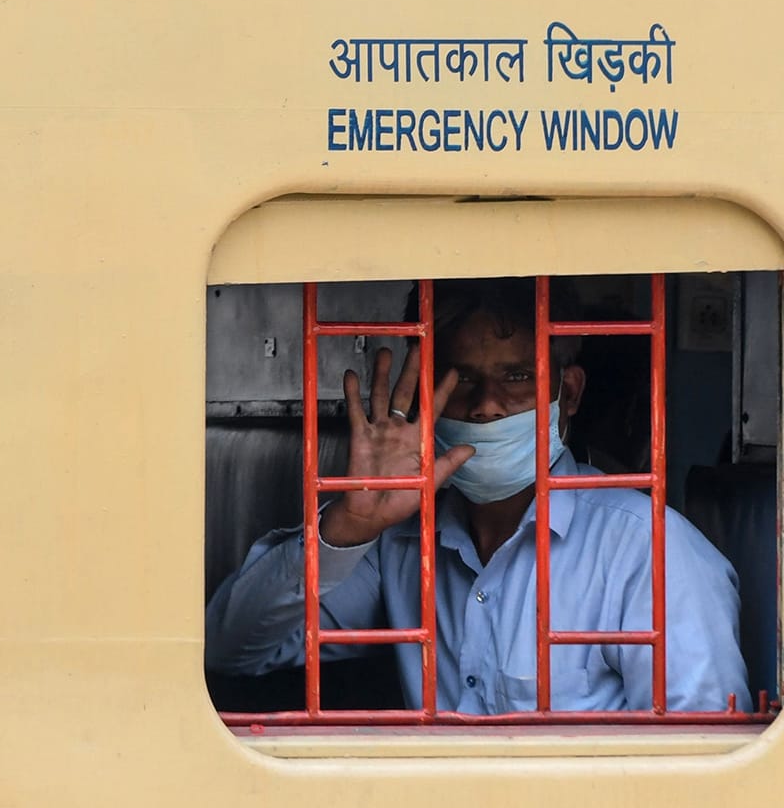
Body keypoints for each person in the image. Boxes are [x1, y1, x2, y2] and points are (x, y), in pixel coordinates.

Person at [205, 276, 750, 714]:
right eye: (461, 380)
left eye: (516, 376)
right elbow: (231, 650)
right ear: (426, 396)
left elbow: (700, 757)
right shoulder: (397, 544)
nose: (487, 406)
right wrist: (348, 525)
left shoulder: (648, 551)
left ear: (570, 392)